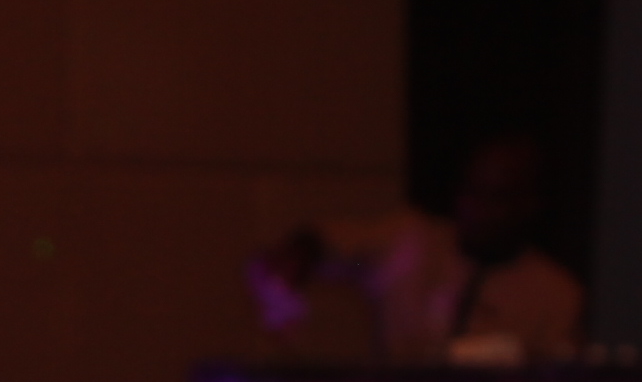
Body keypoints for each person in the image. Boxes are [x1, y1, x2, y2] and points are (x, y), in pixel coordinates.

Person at [251, 135, 585, 364]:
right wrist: (299, 258)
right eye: (472, 191)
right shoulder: (409, 246)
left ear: (529, 204)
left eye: (496, 198)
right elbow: (334, 246)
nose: (477, 209)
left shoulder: (554, 294)